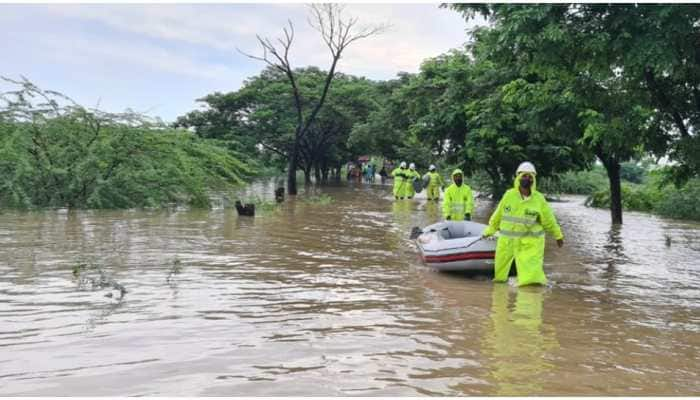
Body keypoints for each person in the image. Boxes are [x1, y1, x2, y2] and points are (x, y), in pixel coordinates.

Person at [481, 161, 564, 286]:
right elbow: (497, 216)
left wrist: (558, 235)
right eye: (524, 176)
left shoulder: (538, 199)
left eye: (530, 177)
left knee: (530, 279)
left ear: (534, 180)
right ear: (518, 178)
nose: (527, 179)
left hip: (530, 243)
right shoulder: (509, 196)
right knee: (500, 278)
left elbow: (549, 220)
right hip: (507, 242)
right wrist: (489, 231)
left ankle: (529, 299)